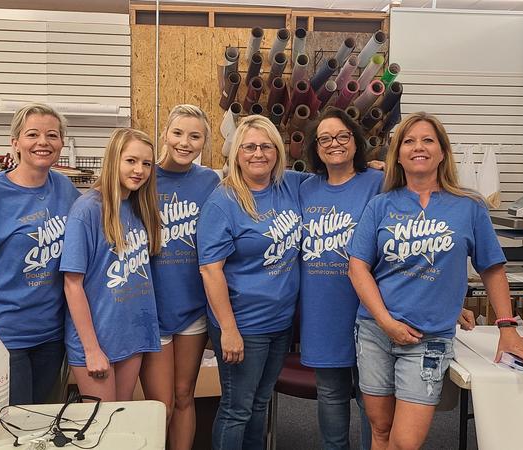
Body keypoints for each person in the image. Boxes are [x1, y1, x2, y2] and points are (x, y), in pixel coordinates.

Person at [347, 112, 523, 450]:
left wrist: (507, 327)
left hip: (428, 338)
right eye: (409, 141)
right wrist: (386, 322)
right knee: (380, 430)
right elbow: (357, 268)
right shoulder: (380, 205)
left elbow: (492, 268)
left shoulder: (469, 206)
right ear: (398, 154)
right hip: (375, 331)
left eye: (428, 140)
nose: (419, 147)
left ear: (442, 151)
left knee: (405, 442)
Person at [0, 103, 81, 405]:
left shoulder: (65, 189)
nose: (43, 142)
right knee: (10, 426)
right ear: (15, 143)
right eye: (32, 134)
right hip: (2, 335)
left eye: (52, 135)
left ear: (62, 142)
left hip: (52, 334)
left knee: (42, 423)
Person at [197, 115, 309, 450]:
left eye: (265, 145)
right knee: (237, 409)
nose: (258, 153)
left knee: (260, 404)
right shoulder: (224, 201)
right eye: (249, 146)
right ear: (236, 153)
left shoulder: (292, 185)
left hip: (280, 322)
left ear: (277, 150)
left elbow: (338, 179)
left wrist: (375, 167)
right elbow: (210, 270)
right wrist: (229, 329)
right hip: (243, 324)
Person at [299, 108, 382, 450]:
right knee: (330, 394)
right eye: (325, 139)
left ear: (355, 140)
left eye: (342, 136)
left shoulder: (378, 182)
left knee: (371, 395)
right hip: (321, 311)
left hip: (369, 308)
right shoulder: (303, 187)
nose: (334, 143)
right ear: (316, 148)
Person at [140, 105, 220, 450]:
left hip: (192, 307)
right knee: (161, 405)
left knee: (185, 394)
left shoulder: (209, 181)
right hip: (151, 308)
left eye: (195, 136)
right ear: (165, 134)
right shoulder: (144, 176)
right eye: (178, 133)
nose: (185, 143)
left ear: (204, 142)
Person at [61, 128, 162, 401]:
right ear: (113, 160)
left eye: (146, 163)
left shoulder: (138, 208)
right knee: (102, 429)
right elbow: (72, 284)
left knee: (122, 420)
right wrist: (92, 349)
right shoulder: (87, 210)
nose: (139, 170)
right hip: (98, 339)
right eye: (131, 161)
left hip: (131, 335)